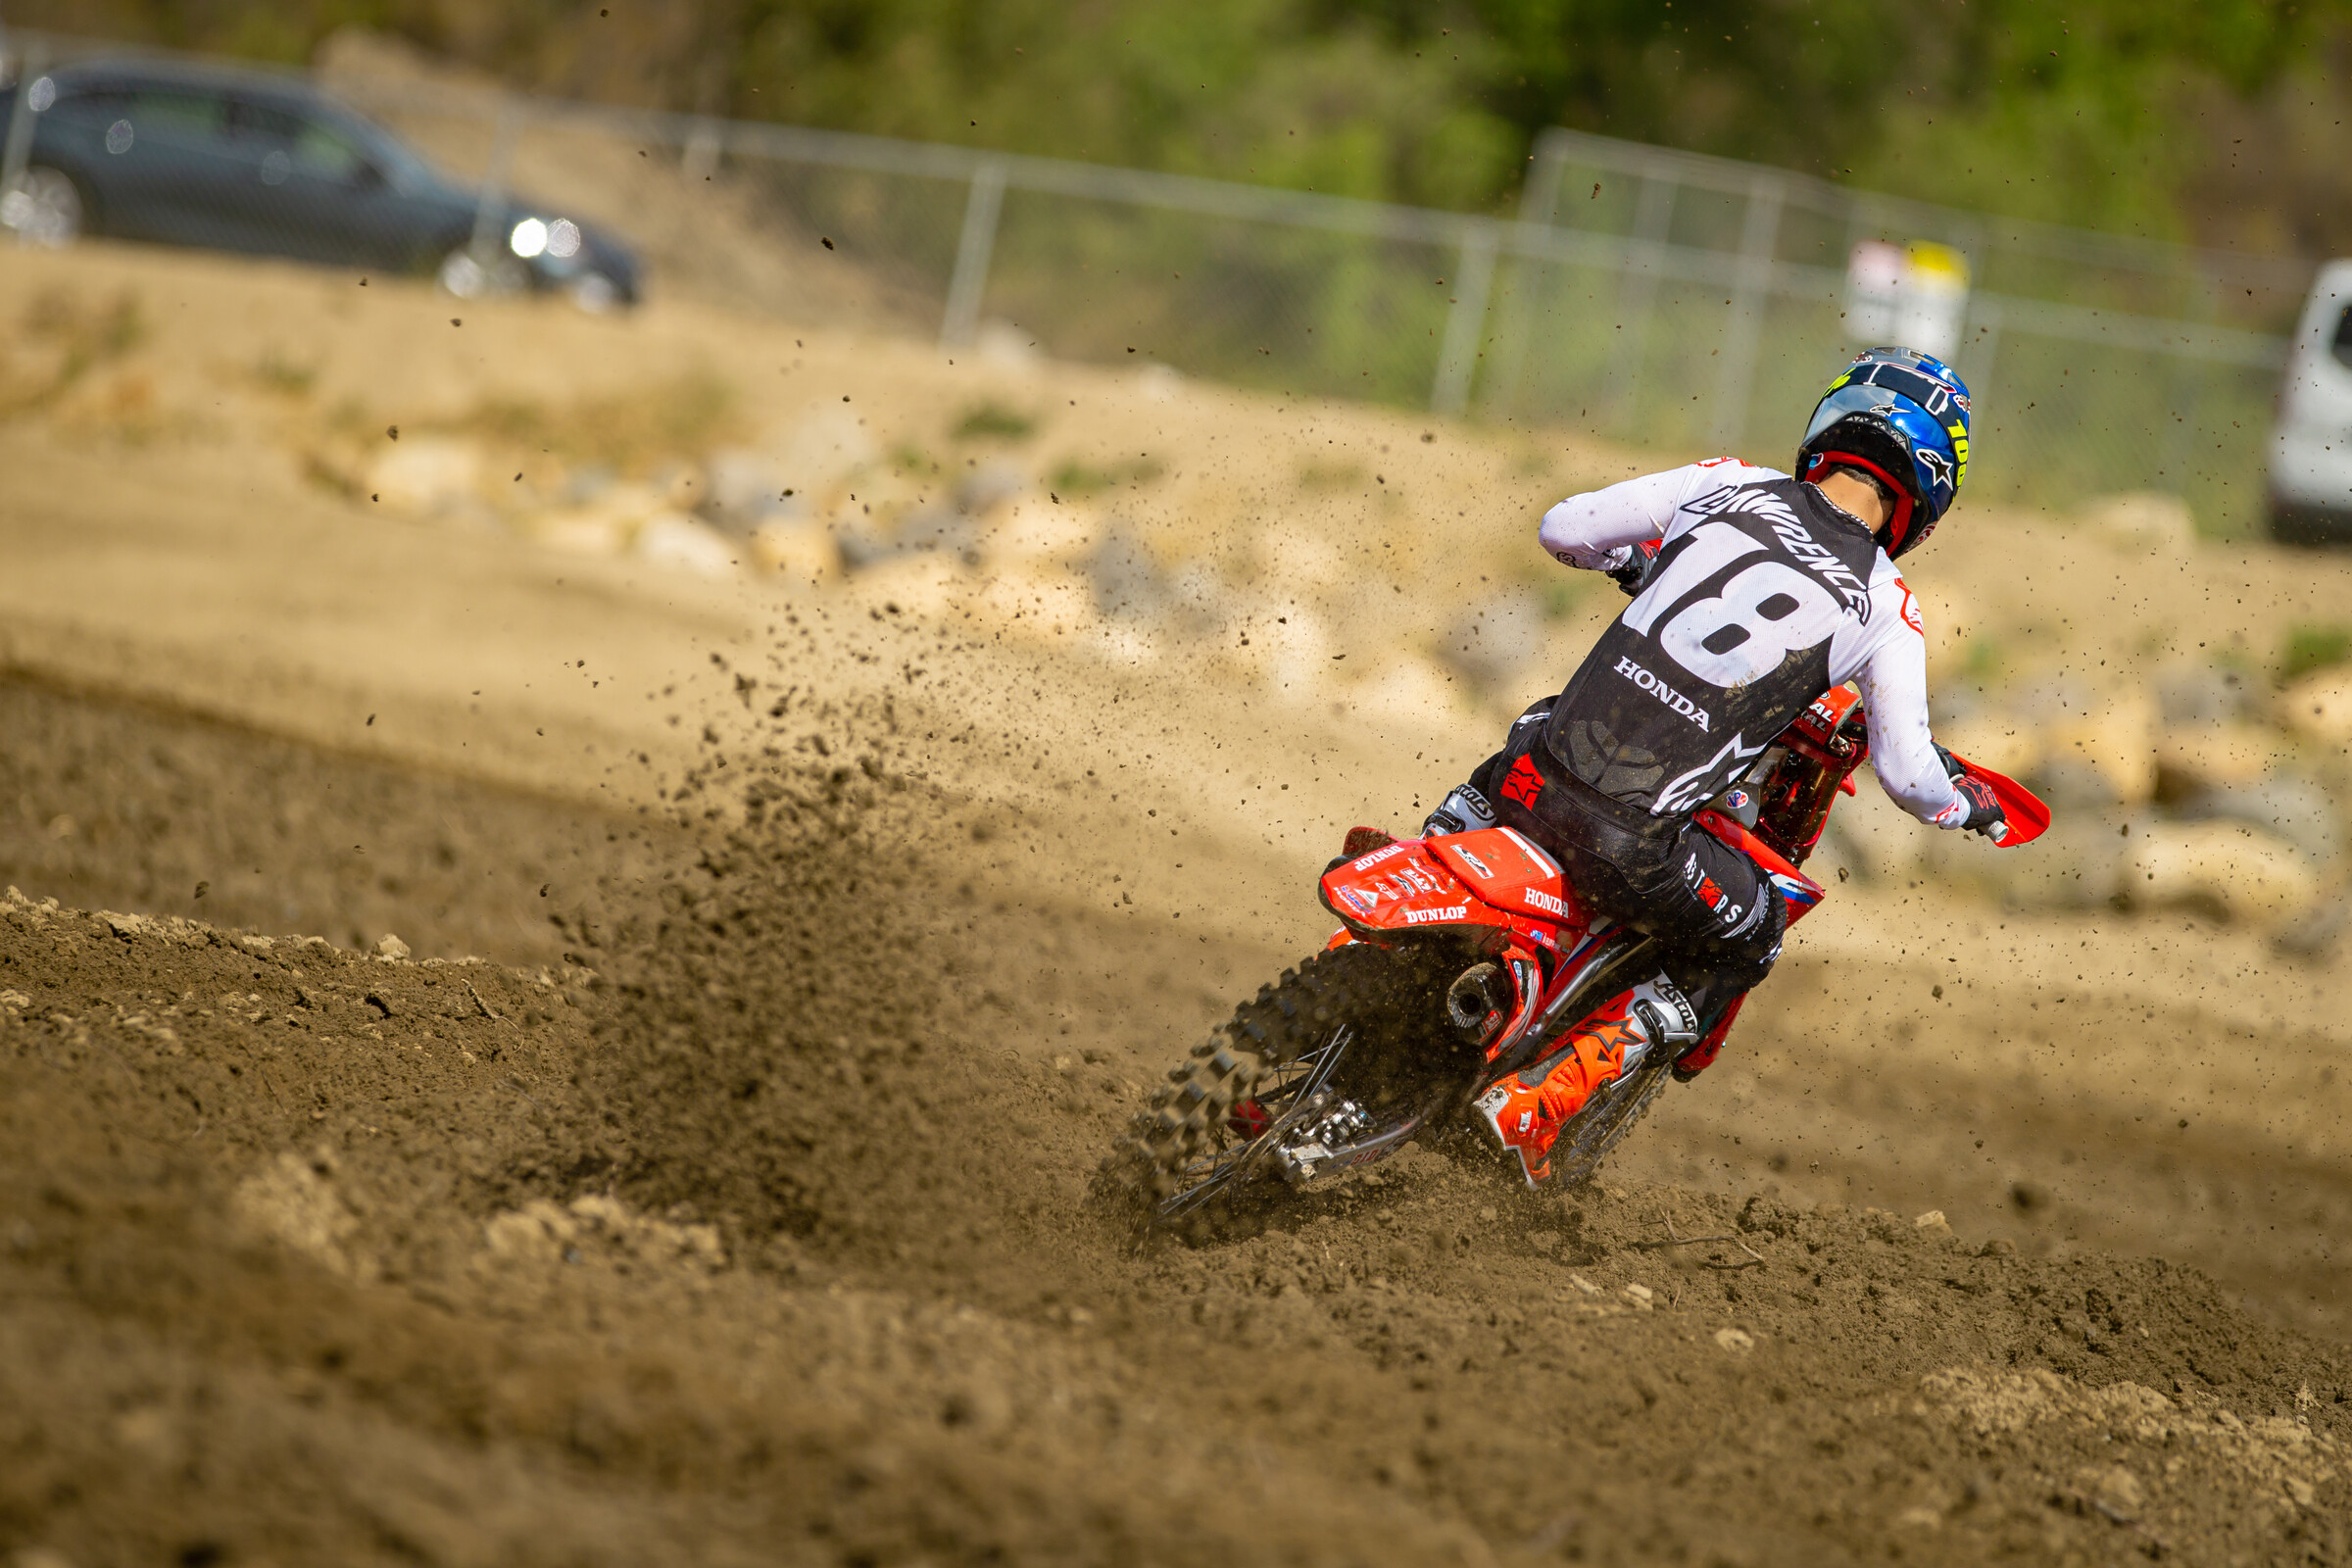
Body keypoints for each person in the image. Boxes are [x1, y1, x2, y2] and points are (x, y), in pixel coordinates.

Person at [1423, 347, 2008, 1185]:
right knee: (1752, 933)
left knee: (1542, 723)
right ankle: (1542, 1094)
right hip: (1635, 845)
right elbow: (1911, 775)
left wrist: (1632, 563)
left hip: (1529, 778)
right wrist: (1967, 807)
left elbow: (1564, 529)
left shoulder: (1729, 482)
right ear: (1932, 486)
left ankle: (1441, 846)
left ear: (1831, 425)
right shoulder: (1886, 603)